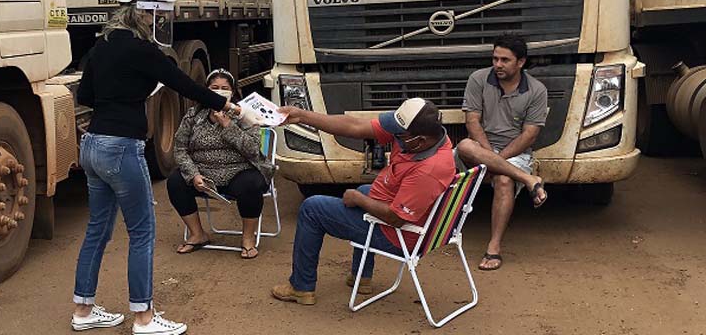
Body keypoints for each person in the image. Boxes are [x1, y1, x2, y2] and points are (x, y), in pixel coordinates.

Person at [71, 0, 260, 335]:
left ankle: (83, 310)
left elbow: (88, 96)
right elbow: (188, 86)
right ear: (142, 11)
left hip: (92, 145)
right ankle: (143, 317)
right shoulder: (143, 50)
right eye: (157, 12)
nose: (160, 19)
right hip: (122, 148)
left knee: (97, 230)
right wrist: (234, 108)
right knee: (142, 232)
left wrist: (127, 92)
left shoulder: (100, 47)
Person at [270, 98, 456, 306]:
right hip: (410, 217)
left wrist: (359, 200)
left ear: (419, 140)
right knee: (365, 190)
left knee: (312, 208)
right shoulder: (424, 139)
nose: (394, 137)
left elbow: (395, 218)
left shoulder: (428, 169)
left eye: (399, 134)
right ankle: (362, 277)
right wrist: (303, 116)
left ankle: (301, 287)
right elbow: (354, 126)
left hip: (399, 237)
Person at [455, 33, 549, 273]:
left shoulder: (537, 90)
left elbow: (529, 135)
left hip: (514, 152)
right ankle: (529, 180)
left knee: (505, 180)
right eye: (495, 58)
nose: (497, 64)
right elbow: (472, 122)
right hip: (481, 147)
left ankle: (494, 247)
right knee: (465, 146)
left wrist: (497, 162)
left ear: (521, 62)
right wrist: (488, 156)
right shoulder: (478, 79)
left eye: (505, 60)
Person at [167, 68, 274, 260]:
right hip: (204, 174)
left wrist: (228, 126)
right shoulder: (194, 115)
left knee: (251, 184)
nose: (219, 91)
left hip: (238, 172)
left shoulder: (244, 115)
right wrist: (194, 175)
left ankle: (248, 239)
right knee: (175, 181)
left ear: (232, 92)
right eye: (214, 87)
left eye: (224, 88)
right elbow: (180, 149)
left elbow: (252, 150)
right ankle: (197, 234)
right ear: (205, 90)